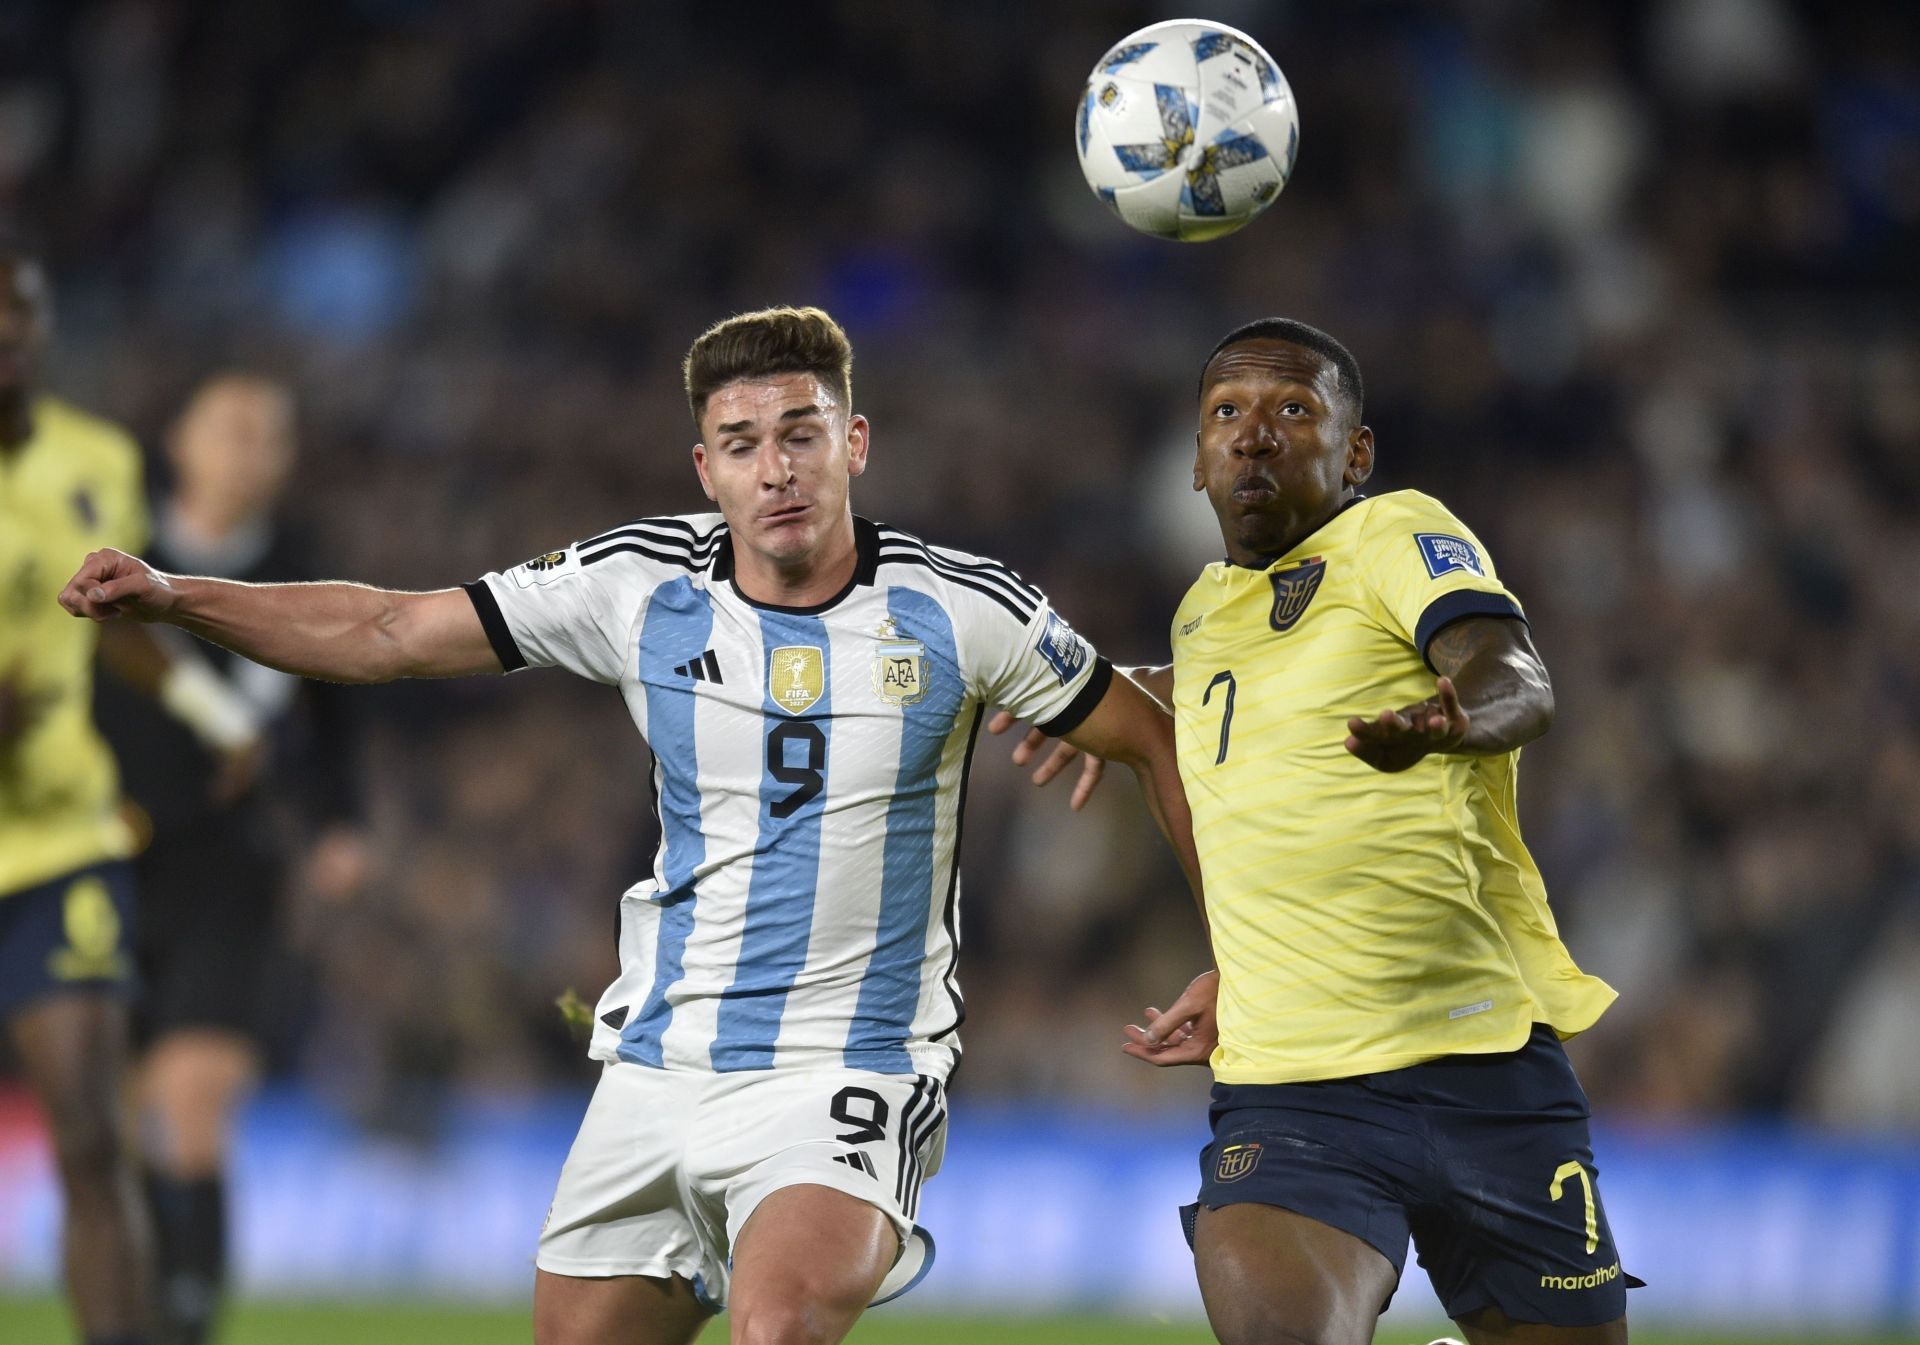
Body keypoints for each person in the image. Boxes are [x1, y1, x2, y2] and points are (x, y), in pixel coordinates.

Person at [61, 306, 1200, 1345]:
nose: (778, 469)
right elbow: (389, 630)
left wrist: (1231, 960)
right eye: (744, 444)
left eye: (803, 434)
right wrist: (179, 594)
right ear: (707, 470)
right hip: (658, 1063)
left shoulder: (961, 607)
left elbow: (1151, 731)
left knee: (778, 1325)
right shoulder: (639, 583)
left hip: (849, 1064)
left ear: (855, 444)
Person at [1021, 318, 1636, 1344]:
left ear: (1356, 453)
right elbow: (1239, 707)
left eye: (1292, 411)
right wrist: (1116, 704)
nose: (1255, 434)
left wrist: (1448, 721)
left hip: (1484, 1068)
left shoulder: (1392, 536)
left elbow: (1515, 676)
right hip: (1294, 1095)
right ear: (1196, 461)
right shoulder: (1203, 616)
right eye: (1228, 414)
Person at [0, 249, 250, 1345]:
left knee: (95, 1141)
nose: (3, 330)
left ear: (45, 327)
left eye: (19, 310)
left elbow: (124, 620)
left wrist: (216, 711)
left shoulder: (96, 458)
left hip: (61, 842)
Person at [92, 373, 369, 1345]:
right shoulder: (121, 554)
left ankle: (186, 1323)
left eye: (269, 435)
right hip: (105, 864)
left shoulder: (304, 570)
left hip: (233, 871)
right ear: (180, 440)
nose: (251, 451)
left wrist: (339, 824)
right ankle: (137, 1302)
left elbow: (339, 711)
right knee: (115, 1124)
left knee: (194, 1101)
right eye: (233, 429)